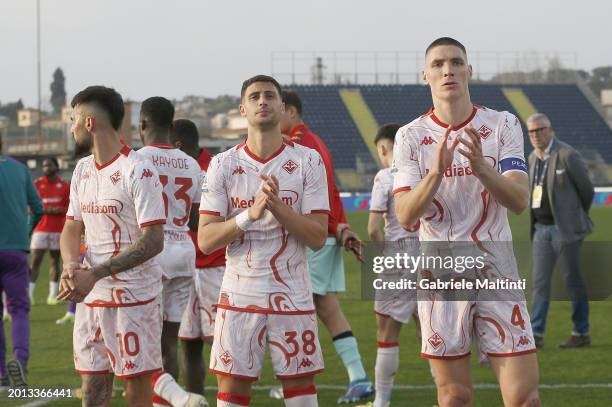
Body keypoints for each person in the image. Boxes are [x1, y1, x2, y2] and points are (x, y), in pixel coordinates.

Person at [393, 37, 540, 406]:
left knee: (525, 398)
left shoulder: (503, 124)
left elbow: (520, 200)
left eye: (456, 62)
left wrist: (481, 167)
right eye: (439, 63)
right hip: (441, 272)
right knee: (454, 397)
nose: (448, 70)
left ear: (469, 71)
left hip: (497, 268)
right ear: (425, 74)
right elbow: (406, 214)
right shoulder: (410, 136)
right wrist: (435, 174)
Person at [198, 75, 329, 407]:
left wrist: (277, 208)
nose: (262, 101)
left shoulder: (307, 160)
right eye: (254, 97)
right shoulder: (222, 165)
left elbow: (317, 236)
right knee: (232, 392)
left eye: (270, 96)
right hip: (239, 295)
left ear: (283, 108)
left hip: (293, 293)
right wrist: (248, 216)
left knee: (300, 389)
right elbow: (206, 239)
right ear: (243, 109)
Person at [58, 85, 166, 407]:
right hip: (91, 296)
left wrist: (97, 273)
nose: (72, 126)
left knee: (135, 392)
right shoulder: (82, 170)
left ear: (89, 123)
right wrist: (70, 266)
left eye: (73, 118)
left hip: (135, 298)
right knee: (92, 389)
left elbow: (153, 239)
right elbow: (71, 227)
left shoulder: (138, 169)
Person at [279, 90, 374, 404]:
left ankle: (302, 380)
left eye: (276, 108)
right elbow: (330, 192)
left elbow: (320, 196)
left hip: (314, 236)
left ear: (290, 111)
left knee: (298, 309)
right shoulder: (310, 142)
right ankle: (357, 378)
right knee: (325, 308)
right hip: (324, 233)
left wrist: (336, 227)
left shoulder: (301, 145)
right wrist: (341, 227)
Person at [137, 98, 208, 407]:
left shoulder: (136, 160)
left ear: (142, 125)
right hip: (183, 252)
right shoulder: (192, 164)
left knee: (142, 343)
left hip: (151, 255)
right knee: (169, 342)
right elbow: (196, 219)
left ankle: (172, 399)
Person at [358, 123, 421, 407]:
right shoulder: (424, 171)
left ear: (383, 149)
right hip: (431, 255)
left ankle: (381, 402)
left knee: (386, 334)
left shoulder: (385, 177)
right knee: (432, 330)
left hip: (397, 254)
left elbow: (373, 228)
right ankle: (449, 396)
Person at [527, 112, 594, 349]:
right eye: (531, 131)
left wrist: (573, 217)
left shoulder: (567, 155)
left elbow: (587, 191)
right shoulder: (532, 158)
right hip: (541, 230)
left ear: (551, 130)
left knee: (572, 281)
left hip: (565, 230)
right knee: (540, 283)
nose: (536, 135)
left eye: (540, 129)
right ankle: (535, 334)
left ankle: (581, 331)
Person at [172, 119, 226, 402]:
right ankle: (196, 400)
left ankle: (229, 399)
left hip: (215, 268)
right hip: (184, 268)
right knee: (188, 344)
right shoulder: (173, 167)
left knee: (222, 345)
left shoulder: (217, 167)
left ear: (178, 146)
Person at [0, 133, 44, 387]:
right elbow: (38, 208)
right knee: (18, 310)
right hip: (16, 251)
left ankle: (3, 375)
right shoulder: (19, 170)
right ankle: (20, 360)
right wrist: (24, 234)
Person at [29, 157, 70, 305]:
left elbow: (70, 208)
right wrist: (45, 209)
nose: (46, 168)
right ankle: (29, 295)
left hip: (57, 230)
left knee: (54, 261)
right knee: (35, 261)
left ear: (56, 167)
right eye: (44, 166)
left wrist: (60, 210)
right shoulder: (36, 184)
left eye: (49, 165)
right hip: (40, 229)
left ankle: (52, 295)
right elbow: (29, 206)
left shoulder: (65, 186)